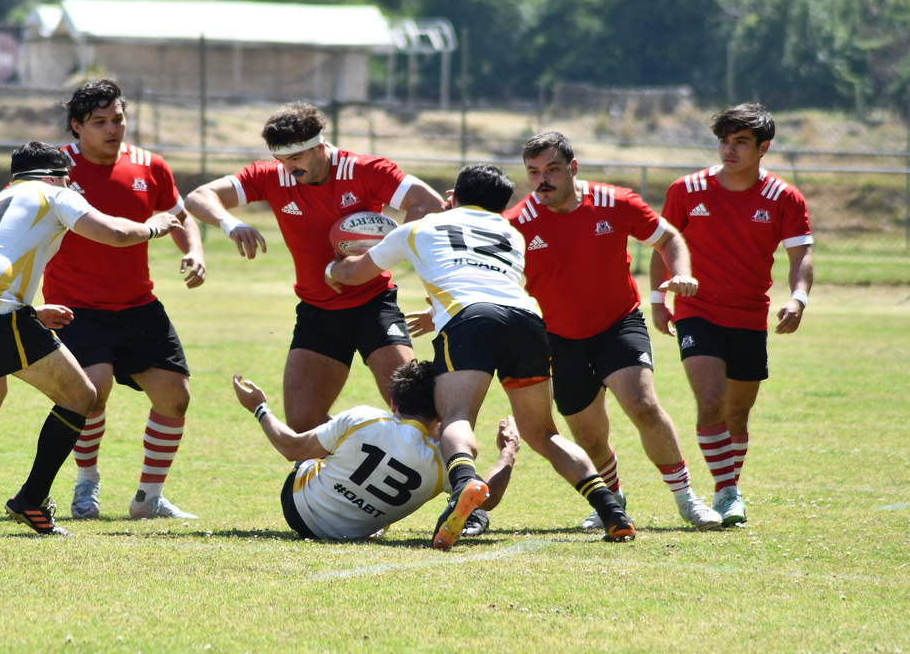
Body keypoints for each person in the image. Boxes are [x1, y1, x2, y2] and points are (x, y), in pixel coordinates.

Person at [327, 164, 634, 549]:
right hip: (526, 321)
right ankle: (611, 509)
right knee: (543, 433)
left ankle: (463, 488)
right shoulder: (513, 233)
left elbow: (355, 274)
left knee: (456, 417)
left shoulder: (420, 228)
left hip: (469, 320)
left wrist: (333, 266)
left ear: (452, 198)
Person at [0, 141, 181, 535]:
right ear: (56, 176)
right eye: (67, 178)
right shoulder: (54, 193)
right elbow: (113, 233)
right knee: (81, 397)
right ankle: (31, 500)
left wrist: (29, 313)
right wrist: (154, 226)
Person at [504, 132, 722, 531]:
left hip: (619, 323)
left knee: (641, 404)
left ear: (573, 168)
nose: (542, 180)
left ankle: (688, 499)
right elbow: (486, 272)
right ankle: (612, 499)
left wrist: (682, 274)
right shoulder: (517, 224)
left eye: (552, 169)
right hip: (561, 338)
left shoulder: (616, 202)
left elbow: (668, 237)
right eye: (533, 172)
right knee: (589, 435)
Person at [185, 102, 445, 433]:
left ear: (320, 147)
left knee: (415, 411)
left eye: (296, 158)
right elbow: (198, 196)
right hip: (317, 312)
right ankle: (369, 449)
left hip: (374, 306)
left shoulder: (364, 170)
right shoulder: (271, 176)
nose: (288, 168)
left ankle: (461, 477)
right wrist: (231, 224)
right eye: (281, 159)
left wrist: (378, 257)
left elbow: (429, 203)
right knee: (303, 423)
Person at [43, 79, 207, 521]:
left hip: (137, 304)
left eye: (118, 119)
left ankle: (148, 499)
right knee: (93, 392)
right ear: (77, 126)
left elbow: (177, 215)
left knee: (175, 396)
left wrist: (193, 250)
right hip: (74, 304)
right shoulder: (54, 168)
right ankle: (86, 486)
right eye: (99, 122)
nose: (112, 128)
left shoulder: (150, 166)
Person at [651, 103, 813, 527]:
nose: (729, 149)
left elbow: (801, 254)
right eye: (725, 141)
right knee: (710, 401)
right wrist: (656, 300)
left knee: (737, 415)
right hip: (696, 310)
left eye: (741, 142)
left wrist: (798, 298)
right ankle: (728, 492)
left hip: (749, 315)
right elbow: (663, 246)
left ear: (764, 148)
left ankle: (726, 487)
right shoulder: (686, 189)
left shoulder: (784, 197)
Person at [231, 361, 520, 541]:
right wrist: (508, 451)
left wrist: (258, 407)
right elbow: (486, 496)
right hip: (351, 534)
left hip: (298, 509)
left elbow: (292, 447)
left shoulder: (364, 417)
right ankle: (471, 520)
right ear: (441, 414)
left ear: (394, 402)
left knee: (336, 439)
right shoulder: (443, 461)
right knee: (473, 505)